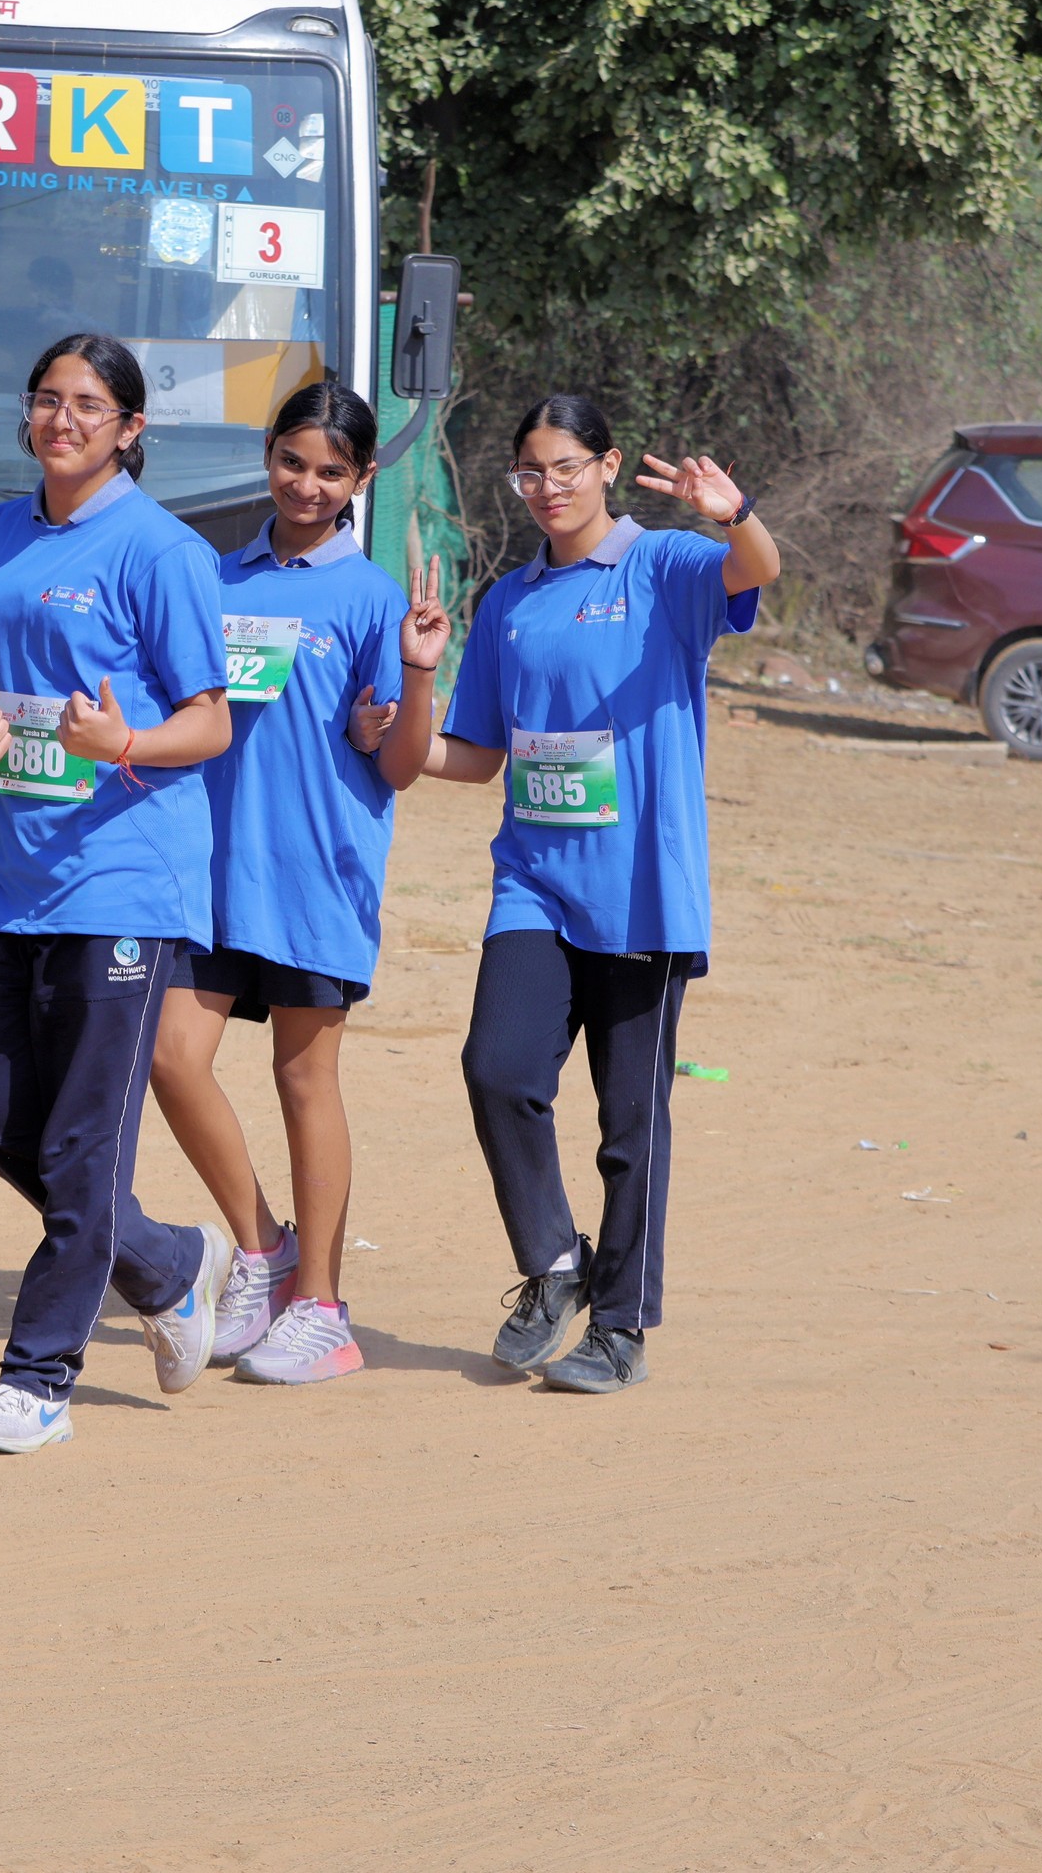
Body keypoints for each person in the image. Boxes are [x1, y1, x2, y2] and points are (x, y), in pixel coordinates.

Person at [378, 393, 780, 1393]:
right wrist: (404, 709)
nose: (547, 487)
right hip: (535, 884)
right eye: (530, 471)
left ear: (606, 466)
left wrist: (734, 514)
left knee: (628, 1122)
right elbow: (474, 757)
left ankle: (623, 1326)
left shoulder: (663, 565)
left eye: (566, 467)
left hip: (641, 893)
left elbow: (757, 569)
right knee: (497, 1068)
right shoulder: (509, 604)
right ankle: (557, 1261)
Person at [0, 332, 237, 1454]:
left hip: (124, 876)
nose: (62, 420)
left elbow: (211, 721)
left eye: (89, 404)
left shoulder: (162, 550)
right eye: (48, 399)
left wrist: (127, 743)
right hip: (17, 876)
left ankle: (37, 1382)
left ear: (130, 427)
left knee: (79, 1145)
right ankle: (166, 1263)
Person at [145, 381, 411, 1385]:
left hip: (316, 874)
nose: (307, 485)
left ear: (362, 479)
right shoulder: (213, 578)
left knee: (304, 1080)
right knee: (172, 1057)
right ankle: (264, 1249)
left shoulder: (375, 599)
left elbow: (398, 757)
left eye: (331, 471)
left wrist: (389, 718)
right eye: (293, 462)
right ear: (267, 456)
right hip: (211, 871)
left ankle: (323, 1311)